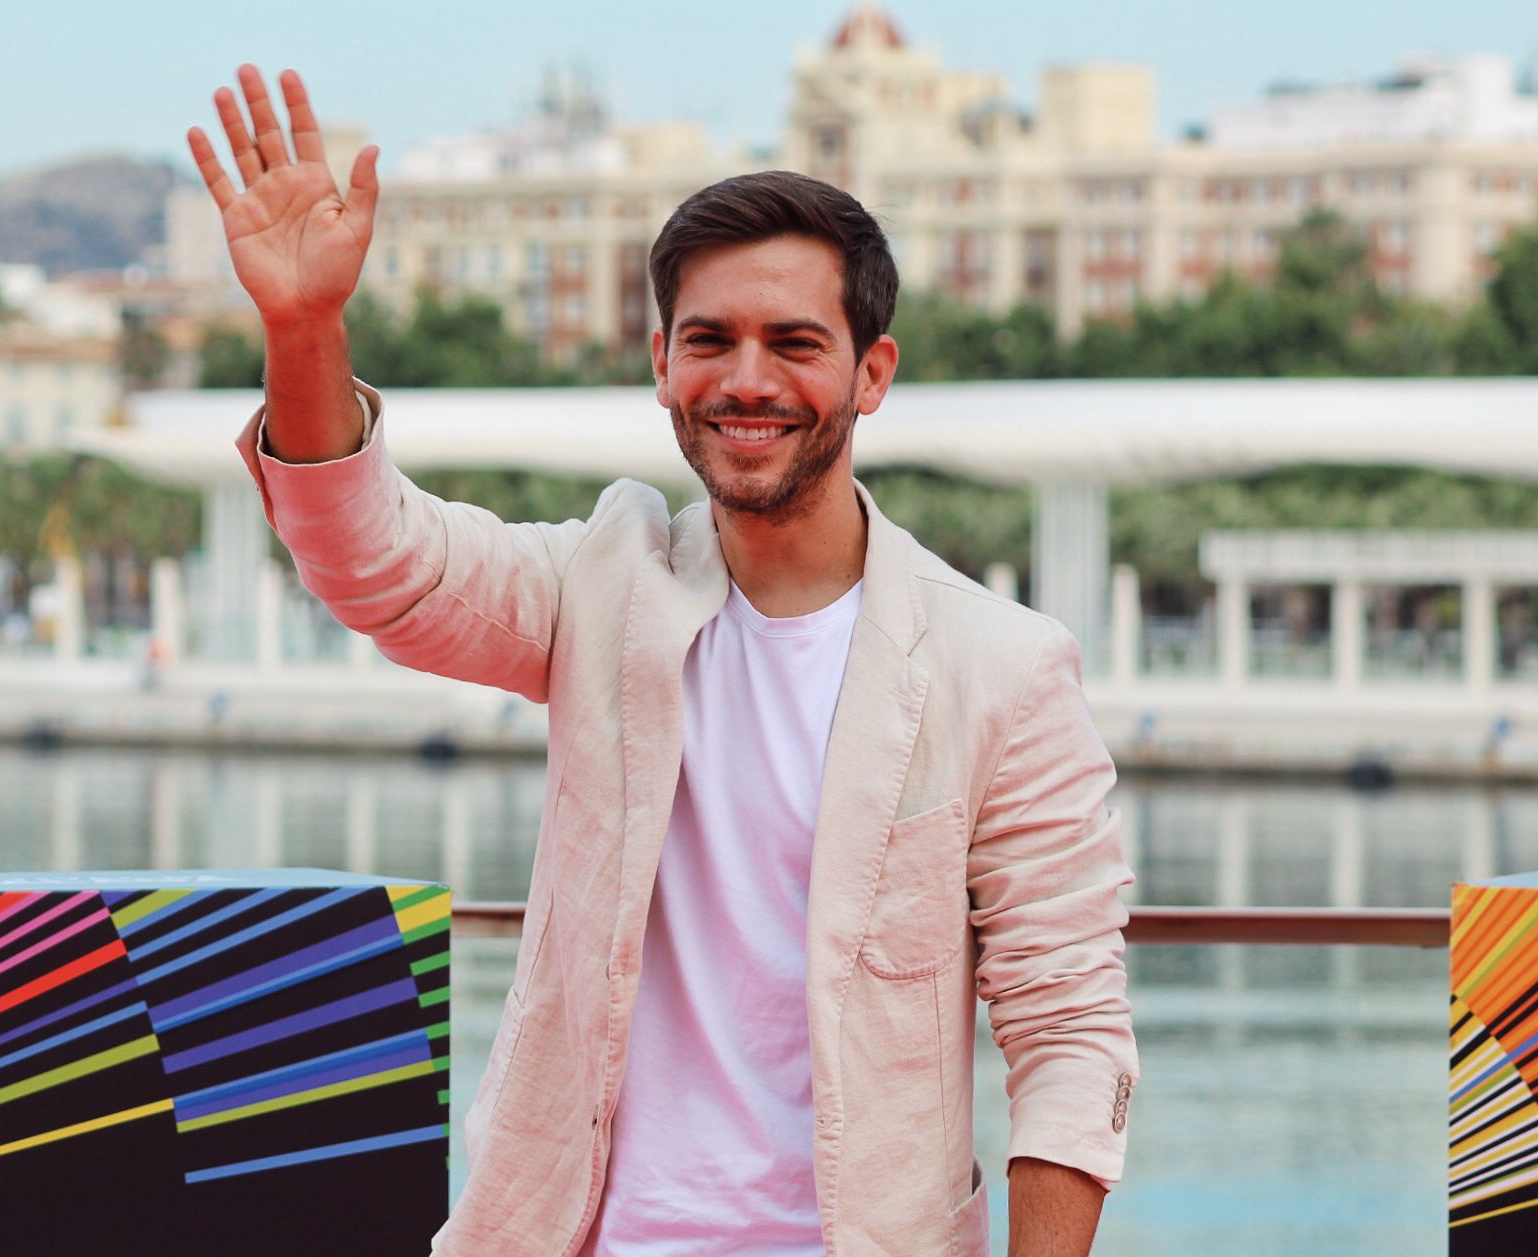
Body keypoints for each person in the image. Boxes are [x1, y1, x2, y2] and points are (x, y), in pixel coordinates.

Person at [188, 65, 1136, 1257]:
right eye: (710, 341)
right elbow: (376, 563)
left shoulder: (1000, 666)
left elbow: (1067, 1032)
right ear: (659, 363)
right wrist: (302, 325)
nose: (746, 380)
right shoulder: (603, 583)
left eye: (794, 342)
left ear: (871, 372)